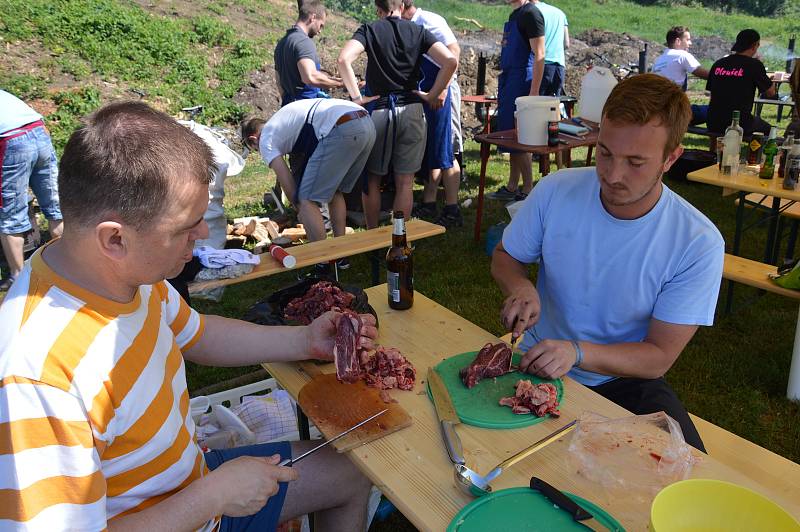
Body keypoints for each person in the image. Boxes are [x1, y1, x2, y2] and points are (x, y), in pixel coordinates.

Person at [0, 101, 376, 530]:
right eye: (186, 226)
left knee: (353, 469)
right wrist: (213, 496)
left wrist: (304, 340)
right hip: (192, 505)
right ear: (115, 239)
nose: (201, 237)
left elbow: (198, 335)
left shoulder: (124, 275)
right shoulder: (36, 375)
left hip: (191, 483)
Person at [491, 74, 724, 451]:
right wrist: (520, 286)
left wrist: (577, 352)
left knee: (689, 471)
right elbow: (506, 257)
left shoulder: (697, 242)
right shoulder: (556, 190)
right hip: (535, 357)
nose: (613, 176)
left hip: (623, 376)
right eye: (605, 153)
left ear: (671, 158)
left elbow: (658, 357)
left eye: (635, 162)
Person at [337, 0, 457, 228]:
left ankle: (373, 238)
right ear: (401, 4)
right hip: (412, 110)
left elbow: (344, 59)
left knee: (372, 180)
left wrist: (356, 98)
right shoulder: (418, 30)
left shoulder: (369, 29)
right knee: (405, 183)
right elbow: (451, 61)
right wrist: (433, 94)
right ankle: (399, 240)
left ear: (378, 8)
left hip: (381, 111)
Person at [242, 98, 375, 245]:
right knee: (335, 191)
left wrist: (301, 209)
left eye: (255, 149)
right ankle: (341, 252)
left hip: (341, 127)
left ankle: (321, 260)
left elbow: (288, 184)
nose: (260, 152)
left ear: (253, 139)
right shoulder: (282, 121)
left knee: (305, 199)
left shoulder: (266, 139)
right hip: (365, 121)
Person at [401, 0, 464, 227]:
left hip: (440, 93)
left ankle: (452, 208)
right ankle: (429, 201)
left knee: (445, 148)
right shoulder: (405, 24)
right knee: (432, 147)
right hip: (425, 92)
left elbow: (453, 52)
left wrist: (443, 89)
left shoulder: (428, 21)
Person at [0, 90, 63, 291]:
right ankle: (71, 268)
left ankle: (19, 279)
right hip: (39, 131)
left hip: (11, 139)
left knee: (10, 215)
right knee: (56, 208)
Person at [486, 0, 546, 202]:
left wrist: (534, 91)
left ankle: (528, 189)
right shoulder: (515, 16)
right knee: (511, 135)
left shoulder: (531, 14)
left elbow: (540, 54)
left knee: (521, 136)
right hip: (509, 77)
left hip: (523, 79)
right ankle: (512, 186)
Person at [706, 29, 776, 136]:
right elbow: (771, 93)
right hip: (740, 123)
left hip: (713, 122)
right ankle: (754, 153)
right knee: (770, 131)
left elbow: (710, 91)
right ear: (754, 45)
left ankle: (713, 151)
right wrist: (770, 80)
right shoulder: (754, 65)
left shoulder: (719, 64)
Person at [274, 0, 342, 106]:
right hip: (305, 108)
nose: (320, 31)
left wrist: (289, 103)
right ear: (313, 17)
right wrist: (341, 84)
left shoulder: (282, 42)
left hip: (288, 106)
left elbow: (279, 81)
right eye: (321, 25)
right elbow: (310, 77)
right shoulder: (303, 42)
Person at [652, 26, 709, 125]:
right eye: (687, 40)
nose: (690, 43)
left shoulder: (659, 59)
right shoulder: (682, 55)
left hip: (657, 110)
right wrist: (724, 74)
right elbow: (704, 74)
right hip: (674, 112)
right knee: (716, 110)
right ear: (678, 41)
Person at [532, 0, 569, 97]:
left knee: (536, 107)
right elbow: (566, 44)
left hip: (541, 66)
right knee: (553, 107)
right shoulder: (560, 13)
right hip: (559, 67)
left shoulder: (532, 12)